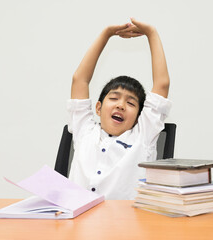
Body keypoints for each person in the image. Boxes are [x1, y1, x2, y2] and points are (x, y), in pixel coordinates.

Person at [67, 18, 172, 200]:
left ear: (140, 116)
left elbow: (162, 84)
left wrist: (151, 33)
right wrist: (106, 34)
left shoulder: (143, 137)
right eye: (114, 98)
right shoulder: (84, 130)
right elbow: (79, 80)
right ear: (98, 108)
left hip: (125, 225)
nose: (120, 105)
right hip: (78, 222)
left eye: (131, 103)